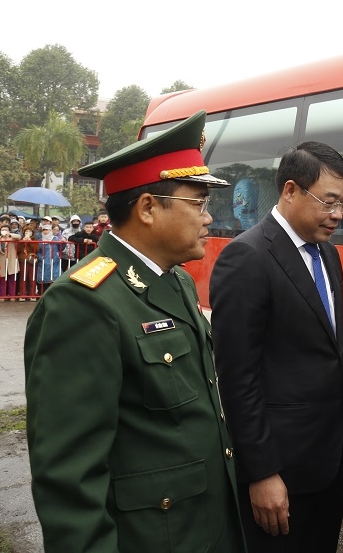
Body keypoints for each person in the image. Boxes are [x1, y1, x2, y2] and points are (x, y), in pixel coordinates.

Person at [23, 110, 245, 552]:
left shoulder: (174, 279)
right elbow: (70, 479)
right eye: (198, 204)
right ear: (147, 207)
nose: (208, 218)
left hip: (202, 527)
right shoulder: (83, 302)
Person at [210, 141, 343, 553]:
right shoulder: (247, 257)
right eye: (328, 202)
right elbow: (238, 378)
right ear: (290, 190)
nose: (338, 214)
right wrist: (262, 472)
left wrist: (341, 443)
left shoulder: (327, 255)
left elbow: (328, 354)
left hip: (327, 460)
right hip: (280, 469)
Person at [34, 220, 61, 295]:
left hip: (54, 262)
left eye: (47, 230)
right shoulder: (39, 241)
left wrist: (63, 242)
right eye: (44, 230)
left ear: (50, 230)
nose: (45, 231)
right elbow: (37, 251)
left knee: (54, 278)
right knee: (43, 279)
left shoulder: (55, 239)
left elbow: (61, 248)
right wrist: (40, 258)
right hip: (43, 263)